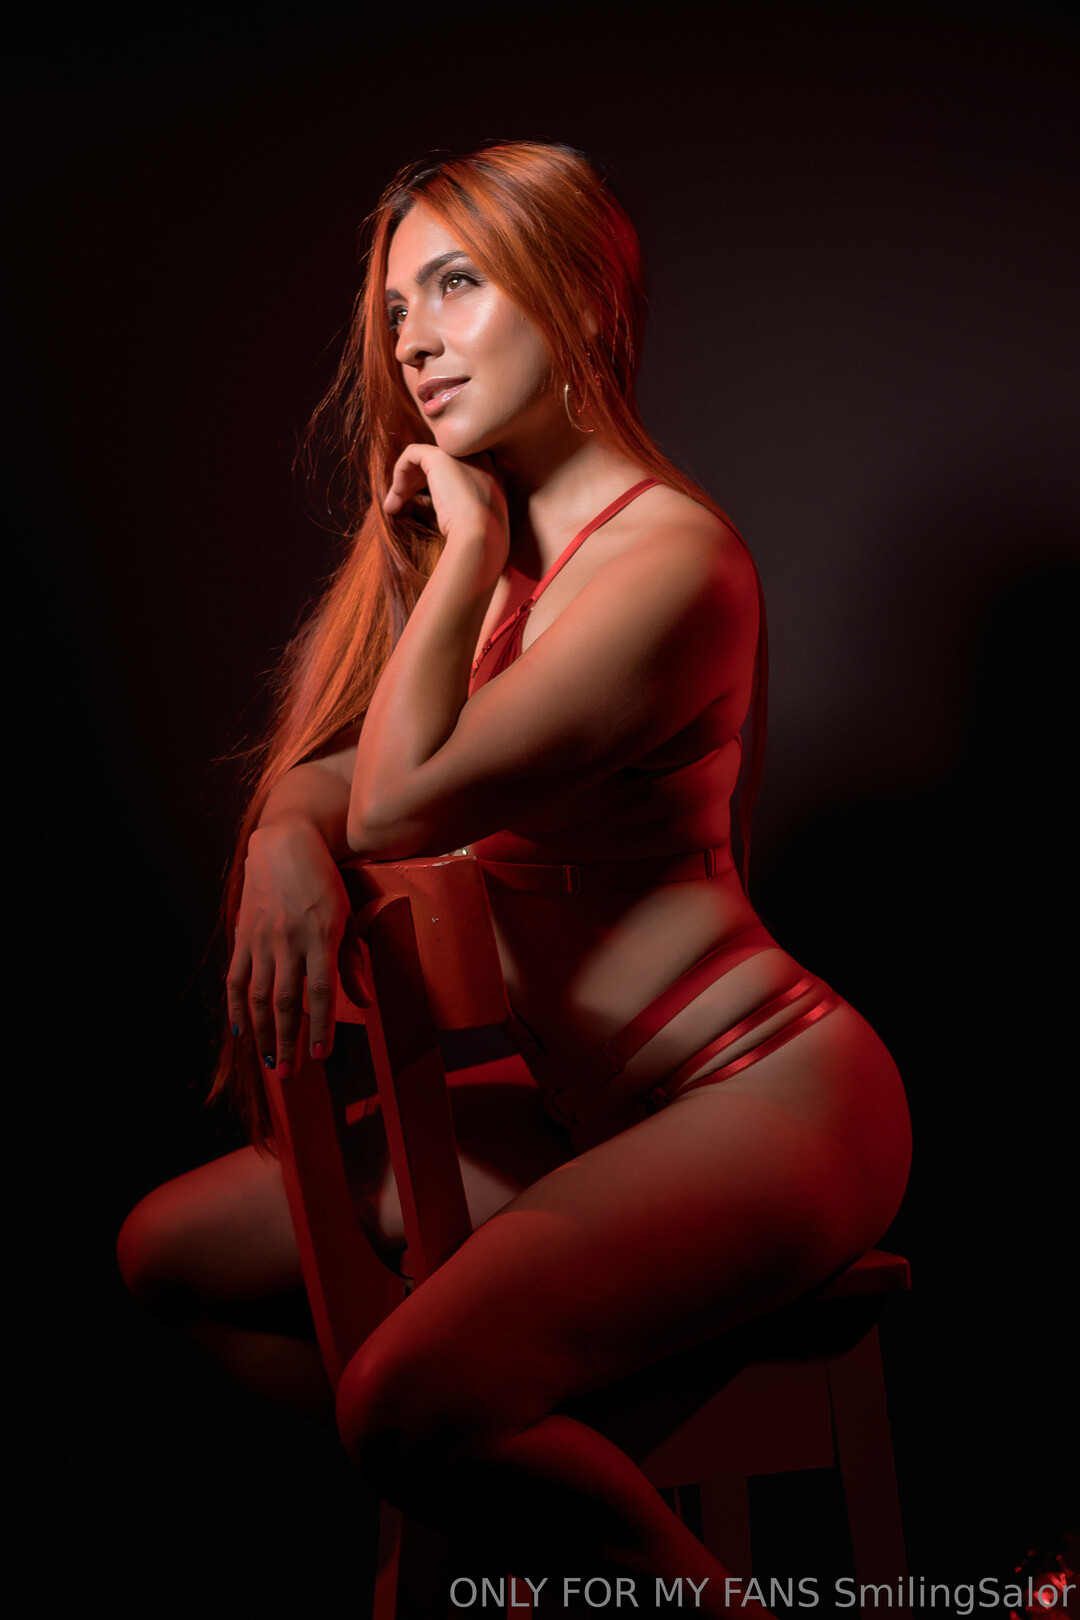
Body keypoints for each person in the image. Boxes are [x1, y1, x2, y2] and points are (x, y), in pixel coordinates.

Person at [117, 141, 911, 1614]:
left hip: (766, 1103)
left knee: (406, 1402)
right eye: (395, 308)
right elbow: (341, 780)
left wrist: (471, 542)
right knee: (172, 1253)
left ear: (583, 303)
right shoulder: (523, 578)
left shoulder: (668, 566)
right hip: (584, 1122)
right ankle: (506, 1481)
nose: (412, 342)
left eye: (456, 285)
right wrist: (283, 836)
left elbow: (395, 801)